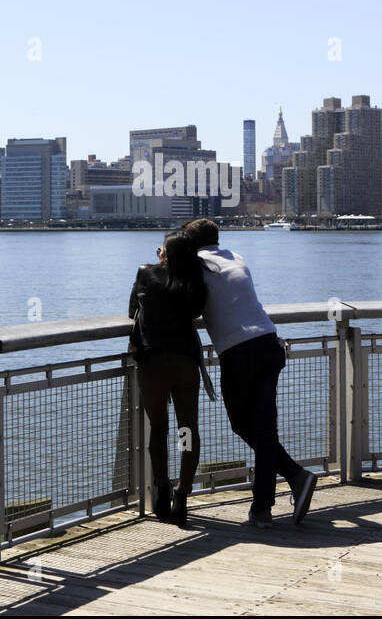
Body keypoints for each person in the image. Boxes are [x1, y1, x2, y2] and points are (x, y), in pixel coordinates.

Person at [181, 218, 316, 528]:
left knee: (242, 425)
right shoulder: (235, 257)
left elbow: (188, 308)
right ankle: (267, 505)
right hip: (269, 343)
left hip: (239, 352)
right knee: (265, 430)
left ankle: (290, 481)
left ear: (191, 244)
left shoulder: (197, 265)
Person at [127, 230, 208, 525]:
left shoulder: (146, 274)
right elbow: (196, 313)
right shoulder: (195, 281)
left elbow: (132, 311)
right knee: (186, 430)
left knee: (158, 429)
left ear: (165, 254)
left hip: (152, 363)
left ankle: (161, 489)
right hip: (185, 363)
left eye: (161, 249)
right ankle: (182, 494)